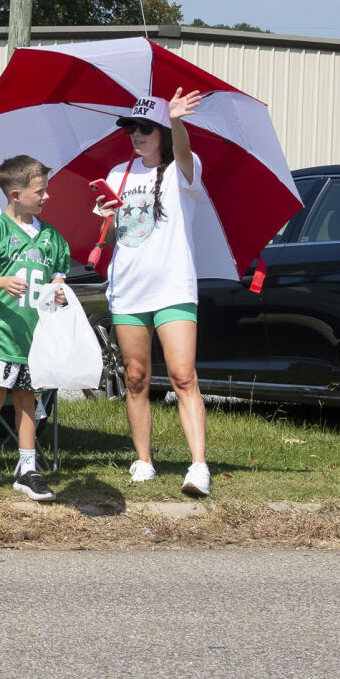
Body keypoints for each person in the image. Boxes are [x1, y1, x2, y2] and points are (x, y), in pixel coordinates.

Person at [98, 89, 211, 497]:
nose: (136, 134)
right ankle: (143, 460)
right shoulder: (118, 175)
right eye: (131, 128)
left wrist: (178, 120)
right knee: (135, 378)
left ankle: (198, 466)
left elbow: (183, 154)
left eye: (145, 128)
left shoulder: (186, 168)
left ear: (161, 132)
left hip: (173, 287)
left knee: (183, 376)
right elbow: (116, 236)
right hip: (128, 288)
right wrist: (108, 218)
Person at [0, 155, 70, 504]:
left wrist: (59, 289)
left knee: (29, 398)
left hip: (36, 335)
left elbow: (58, 275)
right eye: (40, 191)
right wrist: (0, 283)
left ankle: (28, 469)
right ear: (15, 194)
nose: (47, 197)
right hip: (2, 332)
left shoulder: (51, 236)